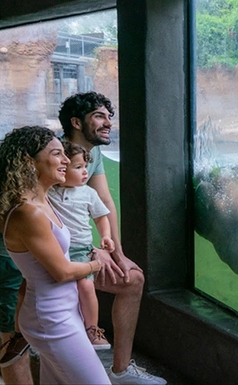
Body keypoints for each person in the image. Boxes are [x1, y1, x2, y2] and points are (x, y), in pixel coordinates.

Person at [0, 125, 111, 383]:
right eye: (57, 154)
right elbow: (62, 272)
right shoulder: (28, 213)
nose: (66, 160)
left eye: (65, 154)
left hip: (62, 311)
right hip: (51, 319)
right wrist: (96, 264)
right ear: (29, 162)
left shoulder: (44, 201)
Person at [57, 91, 166, 384]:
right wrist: (92, 250)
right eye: (99, 116)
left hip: (74, 252)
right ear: (76, 122)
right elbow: (38, 211)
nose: (108, 123)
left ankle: (120, 371)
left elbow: (103, 202)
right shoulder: (55, 154)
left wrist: (117, 254)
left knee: (133, 279)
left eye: (109, 117)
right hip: (44, 256)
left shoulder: (92, 156)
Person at [48, 141, 115, 350]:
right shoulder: (49, 192)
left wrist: (106, 236)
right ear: (62, 168)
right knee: (63, 289)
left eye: (86, 166)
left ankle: (92, 328)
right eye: (78, 167)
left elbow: (101, 216)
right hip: (56, 249)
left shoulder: (88, 193)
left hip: (80, 249)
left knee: (86, 286)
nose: (85, 172)